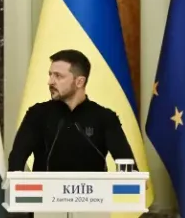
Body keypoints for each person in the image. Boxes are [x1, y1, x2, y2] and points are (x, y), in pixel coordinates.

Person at [8, 49, 136, 172]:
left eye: (58, 76)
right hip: (46, 193)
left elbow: (128, 165)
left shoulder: (105, 118)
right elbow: (16, 160)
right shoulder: (37, 114)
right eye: (50, 75)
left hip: (94, 194)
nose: (50, 82)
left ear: (79, 82)